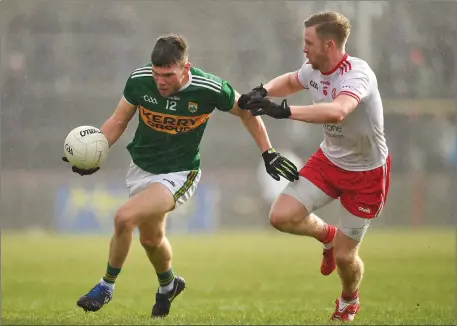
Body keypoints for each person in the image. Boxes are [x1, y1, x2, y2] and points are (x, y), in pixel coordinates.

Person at [62, 34, 299, 318]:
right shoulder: (139, 81)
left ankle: (106, 286)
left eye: (168, 75)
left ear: (186, 69)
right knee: (151, 240)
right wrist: (97, 151)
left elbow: (247, 112)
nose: (160, 81)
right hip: (141, 169)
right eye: (156, 73)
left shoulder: (209, 88)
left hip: (179, 172)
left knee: (124, 217)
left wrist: (268, 152)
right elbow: (118, 120)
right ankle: (168, 285)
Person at [238, 11, 391, 322]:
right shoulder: (314, 68)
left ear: (330, 45)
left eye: (309, 43)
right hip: (328, 161)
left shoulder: (357, 74)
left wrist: (282, 111)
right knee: (280, 217)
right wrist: (263, 91)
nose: (304, 49)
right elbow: (293, 80)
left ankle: (349, 301)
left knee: (347, 257)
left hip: (367, 174)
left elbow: (338, 111)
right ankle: (327, 236)